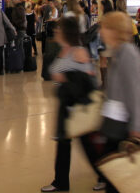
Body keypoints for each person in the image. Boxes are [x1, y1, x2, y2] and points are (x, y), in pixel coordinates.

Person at [90, 11, 140, 193]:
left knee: (117, 175)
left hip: (123, 124)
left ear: (114, 31)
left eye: (104, 28)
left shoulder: (127, 54)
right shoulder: (117, 52)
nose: (101, 32)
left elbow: (134, 91)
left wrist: (136, 126)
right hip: (114, 119)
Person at [41, 16, 99, 193]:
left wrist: (65, 78)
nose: (56, 31)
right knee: (64, 143)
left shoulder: (79, 52)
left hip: (78, 107)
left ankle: (105, 175)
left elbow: (90, 80)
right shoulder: (62, 50)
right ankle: (60, 182)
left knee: (88, 146)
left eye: (59, 28)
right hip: (66, 105)